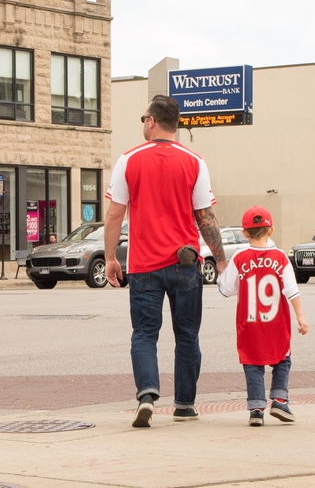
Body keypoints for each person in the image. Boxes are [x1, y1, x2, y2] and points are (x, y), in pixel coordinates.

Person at [104, 94, 227, 428]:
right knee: (187, 336)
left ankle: (147, 393)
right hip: (185, 263)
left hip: (143, 265)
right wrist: (221, 259)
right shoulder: (194, 161)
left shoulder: (128, 160)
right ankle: (185, 405)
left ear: (152, 121)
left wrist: (111, 257)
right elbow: (205, 216)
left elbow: (115, 214)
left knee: (144, 334)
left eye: (144, 118)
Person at [217, 206, 308, 426]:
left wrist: (223, 276)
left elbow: (226, 290)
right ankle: (279, 399)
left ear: (244, 233)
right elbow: (292, 290)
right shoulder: (280, 257)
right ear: (271, 230)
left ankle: (256, 409)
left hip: (249, 324)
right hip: (277, 323)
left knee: (252, 363)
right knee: (283, 359)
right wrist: (300, 316)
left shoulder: (240, 257)